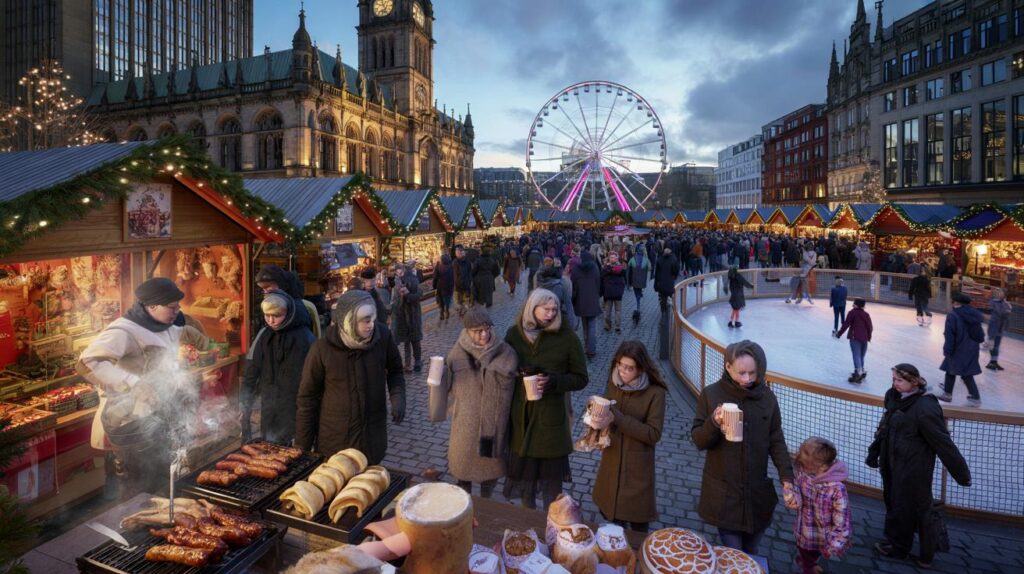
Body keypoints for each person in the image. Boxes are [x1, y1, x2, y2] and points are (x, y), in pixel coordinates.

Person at [78, 277, 211, 494]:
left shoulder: (166, 323)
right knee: (140, 486)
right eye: (172, 307)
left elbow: (182, 334)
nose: (177, 310)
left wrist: (200, 338)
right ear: (151, 307)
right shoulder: (123, 331)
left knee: (166, 478)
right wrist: (133, 383)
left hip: (161, 417)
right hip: (134, 421)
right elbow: (88, 362)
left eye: (177, 306)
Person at [691, 340, 795, 555]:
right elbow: (699, 440)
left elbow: (776, 440)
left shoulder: (767, 398)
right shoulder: (711, 395)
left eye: (752, 373)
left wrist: (787, 479)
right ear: (728, 367)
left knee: (752, 550)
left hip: (757, 496)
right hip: (725, 497)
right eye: (741, 372)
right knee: (734, 554)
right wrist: (713, 422)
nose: (747, 379)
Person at [867, 364, 971, 568]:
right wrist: (875, 451)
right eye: (894, 379)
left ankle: (924, 555)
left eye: (899, 380)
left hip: (915, 467)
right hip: (892, 461)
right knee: (896, 504)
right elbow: (885, 427)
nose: (894, 383)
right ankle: (898, 546)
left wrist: (961, 474)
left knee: (918, 510)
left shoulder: (925, 407)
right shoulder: (893, 396)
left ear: (914, 382)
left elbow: (942, 442)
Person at [295, 290, 406, 464]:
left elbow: (395, 370)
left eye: (372, 319)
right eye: (365, 320)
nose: (371, 325)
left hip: (372, 439)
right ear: (348, 320)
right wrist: (303, 447)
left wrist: (397, 395)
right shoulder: (321, 349)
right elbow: (307, 399)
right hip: (335, 444)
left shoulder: (383, 337)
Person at [503, 288, 588, 510]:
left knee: (552, 492)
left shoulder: (567, 338)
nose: (551, 314)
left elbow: (581, 378)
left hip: (551, 423)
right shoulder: (514, 335)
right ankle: (530, 535)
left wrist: (554, 382)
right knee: (526, 490)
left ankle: (551, 531)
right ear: (533, 308)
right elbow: (502, 366)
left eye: (554, 309)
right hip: (521, 420)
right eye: (546, 309)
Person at [428, 307, 518, 498]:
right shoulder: (457, 355)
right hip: (466, 426)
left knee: (489, 475)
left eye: (487, 329)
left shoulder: (506, 352)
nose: (484, 334)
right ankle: (463, 502)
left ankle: (486, 501)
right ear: (467, 331)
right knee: (463, 473)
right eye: (478, 331)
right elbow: (447, 388)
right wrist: (438, 377)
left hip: (494, 427)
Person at [592, 341, 666, 533]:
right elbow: (607, 412)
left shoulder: (655, 393)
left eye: (629, 368)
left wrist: (618, 418)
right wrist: (597, 419)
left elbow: (653, 434)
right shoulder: (614, 382)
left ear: (641, 368)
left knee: (637, 529)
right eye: (620, 365)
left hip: (637, 471)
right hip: (611, 461)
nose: (623, 371)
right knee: (612, 525)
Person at [241, 290, 315, 445]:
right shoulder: (264, 335)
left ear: (288, 313)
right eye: (267, 316)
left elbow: (313, 374)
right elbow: (252, 368)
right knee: (268, 442)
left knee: (291, 445)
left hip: (294, 402)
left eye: (276, 316)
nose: (271, 321)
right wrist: (245, 399)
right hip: (269, 400)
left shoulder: (305, 337)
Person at [791, 437, 852, 574]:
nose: (799, 454)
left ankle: (807, 563)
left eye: (805, 453)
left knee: (812, 555)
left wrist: (835, 543)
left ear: (822, 465)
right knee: (805, 554)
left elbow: (842, 519)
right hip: (804, 530)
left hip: (824, 537)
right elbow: (795, 486)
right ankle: (807, 566)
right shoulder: (804, 473)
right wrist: (792, 495)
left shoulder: (836, 488)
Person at [938, 292, 984, 405]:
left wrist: (947, 350)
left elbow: (950, 335)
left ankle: (948, 394)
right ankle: (975, 396)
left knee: (950, 370)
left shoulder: (953, 315)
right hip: (972, 348)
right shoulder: (974, 314)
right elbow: (980, 335)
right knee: (966, 372)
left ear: (956, 303)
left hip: (957, 348)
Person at [256, 264, 318, 339]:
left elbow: (316, 336)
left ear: (281, 285)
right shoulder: (267, 305)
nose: (265, 293)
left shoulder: (307, 306)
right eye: (263, 289)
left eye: (268, 288)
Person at [391, 264, 424, 373]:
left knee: (407, 341)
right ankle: (417, 362)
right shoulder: (416, 280)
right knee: (416, 340)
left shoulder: (399, 283)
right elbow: (420, 294)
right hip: (415, 315)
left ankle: (408, 364)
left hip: (404, 315)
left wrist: (406, 297)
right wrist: (410, 297)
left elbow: (397, 302)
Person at [835, 298, 872, 383]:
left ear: (856, 305)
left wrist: (839, 334)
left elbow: (846, 324)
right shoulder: (866, 314)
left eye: (854, 304)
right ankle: (862, 370)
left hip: (855, 337)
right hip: (864, 338)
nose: (853, 305)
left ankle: (858, 373)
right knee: (861, 356)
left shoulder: (852, 313)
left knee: (856, 355)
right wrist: (868, 337)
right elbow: (870, 327)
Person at [600, 252, 627, 334]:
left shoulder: (608, 268)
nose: (613, 259)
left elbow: (601, 278)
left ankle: (612, 326)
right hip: (613, 293)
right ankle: (612, 326)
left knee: (613, 311)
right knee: (611, 311)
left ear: (616, 258)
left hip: (613, 293)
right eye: (611, 257)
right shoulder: (618, 268)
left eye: (614, 257)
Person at [985, 288, 1011, 371]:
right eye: (998, 292)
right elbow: (1000, 312)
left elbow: (1006, 315)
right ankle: (992, 362)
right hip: (993, 326)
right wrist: (1006, 310)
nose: (999, 294)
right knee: (993, 345)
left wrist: (1006, 311)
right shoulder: (993, 302)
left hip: (1000, 327)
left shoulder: (1005, 303)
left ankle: (994, 362)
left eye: (1002, 292)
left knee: (997, 346)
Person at [626, 243, 651, 314]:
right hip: (642, 281)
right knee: (639, 292)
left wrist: (628, 283)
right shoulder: (646, 260)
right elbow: (649, 268)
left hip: (634, 280)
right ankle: (638, 305)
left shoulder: (632, 259)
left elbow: (628, 270)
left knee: (636, 292)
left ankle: (638, 305)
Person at [654, 247, 680, 312]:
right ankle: (670, 309)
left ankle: (663, 309)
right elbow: (676, 270)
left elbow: (656, 273)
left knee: (663, 296)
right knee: (670, 295)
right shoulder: (674, 259)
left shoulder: (659, 259)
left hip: (661, 282)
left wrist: (656, 283)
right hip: (670, 281)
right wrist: (675, 276)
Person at [432, 254, 455, 323]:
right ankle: (447, 309)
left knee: (441, 299)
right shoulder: (452, 266)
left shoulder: (438, 266)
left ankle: (442, 311)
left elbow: (435, 277)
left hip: (440, 286)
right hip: (449, 286)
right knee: (448, 299)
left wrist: (434, 286)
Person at [453, 245, 474, 317]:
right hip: (459, 285)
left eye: (461, 252)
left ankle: (464, 311)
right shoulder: (455, 263)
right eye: (458, 253)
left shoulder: (467, 261)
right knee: (459, 300)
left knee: (466, 299)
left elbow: (470, 272)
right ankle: (461, 312)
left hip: (466, 284)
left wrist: (469, 281)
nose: (460, 254)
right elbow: (454, 275)